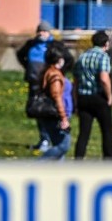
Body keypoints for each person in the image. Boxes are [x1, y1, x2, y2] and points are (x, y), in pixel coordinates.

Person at [17, 21, 73, 151]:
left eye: (44, 31)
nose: (41, 33)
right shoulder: (31, 44)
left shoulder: (56, 45)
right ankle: (44, 139)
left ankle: (54, 139)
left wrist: (60, 73)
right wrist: (28, 67)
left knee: (51, 110)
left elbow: (69, 59)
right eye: (40, 31)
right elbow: (20, 55)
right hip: (34, 82)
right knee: (38, 111)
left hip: (50, 83)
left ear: (49, 33)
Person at [73, 30, 112, 160]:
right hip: (98, 97)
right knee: (106, 131)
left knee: (84, 133)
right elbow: (104, 78)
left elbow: (76, 81)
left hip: (83, 97)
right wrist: (109, 96)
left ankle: (78, 159)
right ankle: (108, 160)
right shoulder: (103, 56)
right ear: (106, 44)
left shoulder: (82, 57)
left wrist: (75, 101)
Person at [40, 47, 73, 161]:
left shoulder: (47, 71)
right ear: (59, 60)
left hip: (51, 114)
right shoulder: (55, 75)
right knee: (63, 145)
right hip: (56, 115)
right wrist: (63, 117)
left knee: (58, 148)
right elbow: (57, 97)